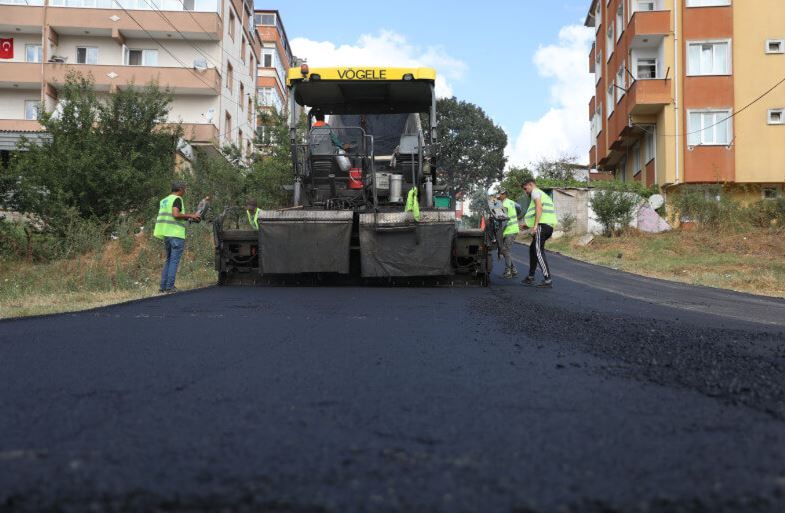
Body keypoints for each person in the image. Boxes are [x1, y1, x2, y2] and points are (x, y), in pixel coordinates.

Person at [153, 182, 201, 293]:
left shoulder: (164, 200)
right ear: (180, 189)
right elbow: (175, 214)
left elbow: (173, 216)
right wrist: (192, 215)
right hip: (175, 234)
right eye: (184, 189)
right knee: (174, 261)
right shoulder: (177, 199)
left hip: (166, 233)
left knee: (169, 260)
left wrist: (188, 218)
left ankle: (163, 287)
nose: (185, 192)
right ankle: (170, 287)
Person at [520, 178, 557, 288]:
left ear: (531, 185)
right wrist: (528, 224)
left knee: (538, 251)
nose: (525, 191)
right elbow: (540, 211)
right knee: (533, 249)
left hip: (543, 225)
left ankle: (547, 280)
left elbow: (539, 208)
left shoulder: (535, 192)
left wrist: (535, 226)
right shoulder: (542, 194)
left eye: (526, 188)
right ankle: (530, 277)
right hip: (547, 226)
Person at [497, 189, 522, 279]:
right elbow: (519, 208)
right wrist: (517, 217)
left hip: (510, 230)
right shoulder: (512, 202)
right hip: (512, 229)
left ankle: (508, 272)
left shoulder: (504, 205)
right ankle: (514, 269)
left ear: (504, 195)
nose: (499, 196)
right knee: (504, 251)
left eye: (500, 195)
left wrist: (499, 234)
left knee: (505, 250)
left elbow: (504, 221)